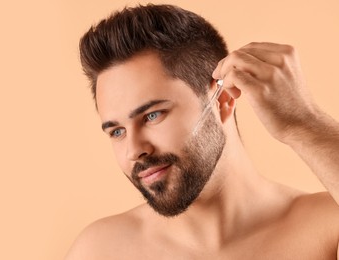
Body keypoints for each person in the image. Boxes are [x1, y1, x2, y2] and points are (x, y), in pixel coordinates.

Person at [66, 4, 339, 259]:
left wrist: (305, 124)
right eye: (116, 132)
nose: (134, 150)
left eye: (152, 115)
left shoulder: (327, 228)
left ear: (222, 102)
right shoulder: (100, 250)